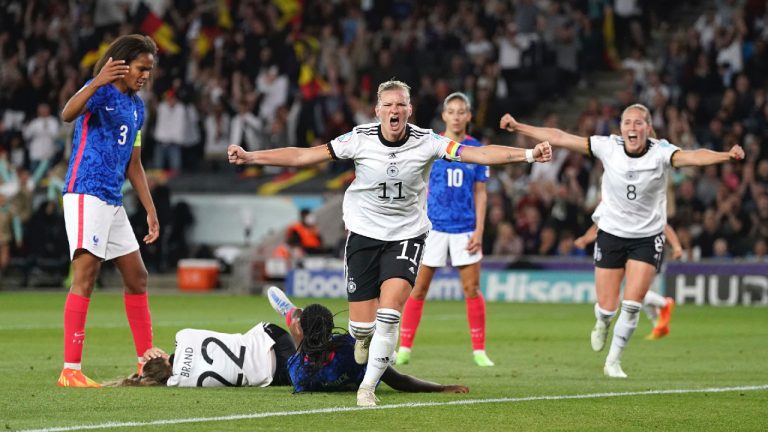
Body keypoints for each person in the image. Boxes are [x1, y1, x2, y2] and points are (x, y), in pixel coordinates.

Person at [229, 79, 552, 405]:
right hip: (364, 236)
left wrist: (527, 154)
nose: (395, 110)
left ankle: (367, 388)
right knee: (361, 329)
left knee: (390, 314)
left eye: (401, 104)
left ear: (409, 110)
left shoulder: (428, 141)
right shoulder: (359, 139)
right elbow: (304, 157)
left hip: (406, 236)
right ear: (378, 111)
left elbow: (478, 154)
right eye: (389, 105)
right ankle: (362, 339)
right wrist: (252, 157)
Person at [501, 103, 744, 378]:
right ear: (620, 128)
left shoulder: (662, 152)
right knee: (607, 308)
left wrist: (726, 156)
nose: (632, 127)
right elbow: (559, 137)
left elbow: (694, 156)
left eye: (639, 122)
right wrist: (519, 126)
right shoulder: (608, 146)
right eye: (627, 122)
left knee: (632, 305)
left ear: (649, 128)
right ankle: (602, 322)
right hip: (611, 233)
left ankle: (613, 361)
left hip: (647, 237)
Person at [109, 287, 469, 397]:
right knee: (297, 352)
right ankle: (291, 315)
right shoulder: (183, 336)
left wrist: (150, 369)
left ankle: (293, 316)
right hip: (271, 342)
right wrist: (441, 388)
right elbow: (398, 378)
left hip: (277, 360)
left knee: (295, 358)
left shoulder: (298, 371)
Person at [57, 34, 160, 388]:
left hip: (113, 199)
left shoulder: (137, 107)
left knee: (137, 276)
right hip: (86, 191)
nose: (145, 76)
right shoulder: (98, 92)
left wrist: (150, 209)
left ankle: (146, 363)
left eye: (149, 70)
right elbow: (67, 113)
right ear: (122, 64)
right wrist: (97, 80)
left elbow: (135, 163)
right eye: (141, 69)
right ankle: (70, 369)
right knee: (86, 276)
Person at [396, 92, 493, 368]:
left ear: (469, 116)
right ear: (444, 115)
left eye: (462, 111)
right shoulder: (431, 145)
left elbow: (481, 193)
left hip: (464, 229)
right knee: (417, 290)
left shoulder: (477, 150)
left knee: (472, 289)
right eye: (452, 111)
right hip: (433, 228)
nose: (457, 116)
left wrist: (479, 230)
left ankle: (479, 351)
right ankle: (404, 348)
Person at [574, 208, 680, 340]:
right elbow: (599, 225)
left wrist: (676, 246)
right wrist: (585, 239)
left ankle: (664, 304)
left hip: (645, 249)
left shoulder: (634, 200)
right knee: (633, 293)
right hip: (627, 249)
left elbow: (662, 224)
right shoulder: (612, 202)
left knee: (635, 292)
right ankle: (658, 324)